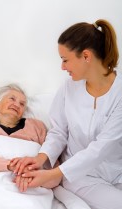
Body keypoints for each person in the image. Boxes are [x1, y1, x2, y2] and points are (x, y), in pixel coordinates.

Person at [10, 19, 122, 209]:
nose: (62, 67)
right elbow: (58, 132)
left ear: (86, 56)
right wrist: (41, 158)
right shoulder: (68, 88)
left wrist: (51, 175)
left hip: (116, 170)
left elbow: (102, 147)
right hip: (79, 176)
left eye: (65, 59)